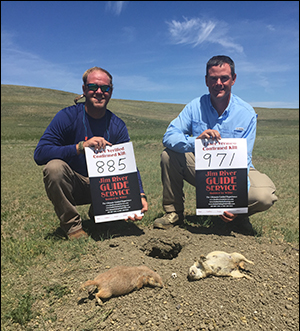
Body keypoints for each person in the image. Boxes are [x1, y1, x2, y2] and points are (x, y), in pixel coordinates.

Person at [153, 55, 277, 233]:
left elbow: (244, 159)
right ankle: (174, 213)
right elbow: (169, 136)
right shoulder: (194, 107)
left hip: (236, 170)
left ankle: (238, 216)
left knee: (264, 196)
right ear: (206, 81)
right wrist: (195, 142)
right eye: (213, 78)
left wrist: (236, 201)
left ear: (233, 79)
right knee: (168, 154)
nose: (218, 83)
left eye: (224, 78)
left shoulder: (246, 113)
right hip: (201, 168)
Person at [34, 67, 148, 239]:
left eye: (105, 88)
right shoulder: (67, 117)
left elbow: (128, 164)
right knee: (54, 168)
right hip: (75, 184)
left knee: (110, 226)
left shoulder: (117, 125)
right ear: (84, 89)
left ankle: (100, 215)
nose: (99, 92)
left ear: (111, 92)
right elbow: (40, 153)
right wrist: (80, 147)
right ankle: (73, 227)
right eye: (93, 87)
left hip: (105, 187)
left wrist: (139, 195)